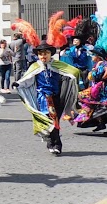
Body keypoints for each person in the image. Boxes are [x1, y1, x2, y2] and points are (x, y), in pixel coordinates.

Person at [15, 23, 80, 156]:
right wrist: (18, 84)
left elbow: (72, 71)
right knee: (47, 120)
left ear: (50, 54)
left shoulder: (57, 65)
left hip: (56, 97)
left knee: (54, 121)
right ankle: (52, 142)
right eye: (40, 54)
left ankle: (56, 144)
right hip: (42, 98)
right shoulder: (35, 66)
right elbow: (27, 79)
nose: (43, 56)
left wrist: (72, 79)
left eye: (46, 53)